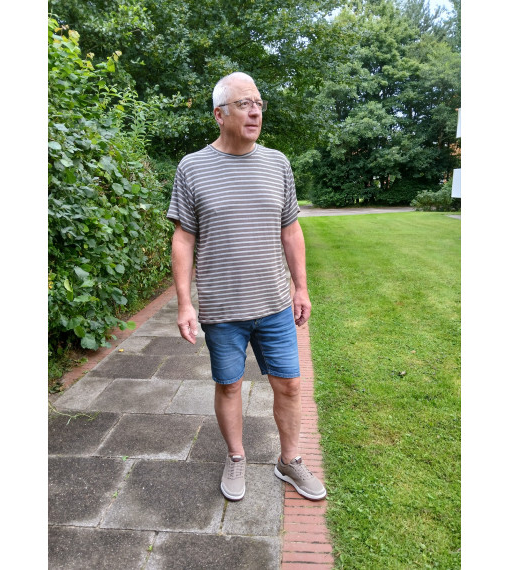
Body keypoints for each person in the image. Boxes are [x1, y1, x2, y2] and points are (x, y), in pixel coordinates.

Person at [167, 71, 326, 502]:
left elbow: (291, 230)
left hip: (274, 303)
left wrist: (301, 287)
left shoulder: (277, 163)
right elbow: (183, 238)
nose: (255, 111)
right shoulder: (192, 167)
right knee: (229, 385)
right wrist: (185, 304)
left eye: (258, 103)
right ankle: (236, 456)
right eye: (244, 104)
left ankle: (289, 460)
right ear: (219, 115)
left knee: (289, 385)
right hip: (222, 309)